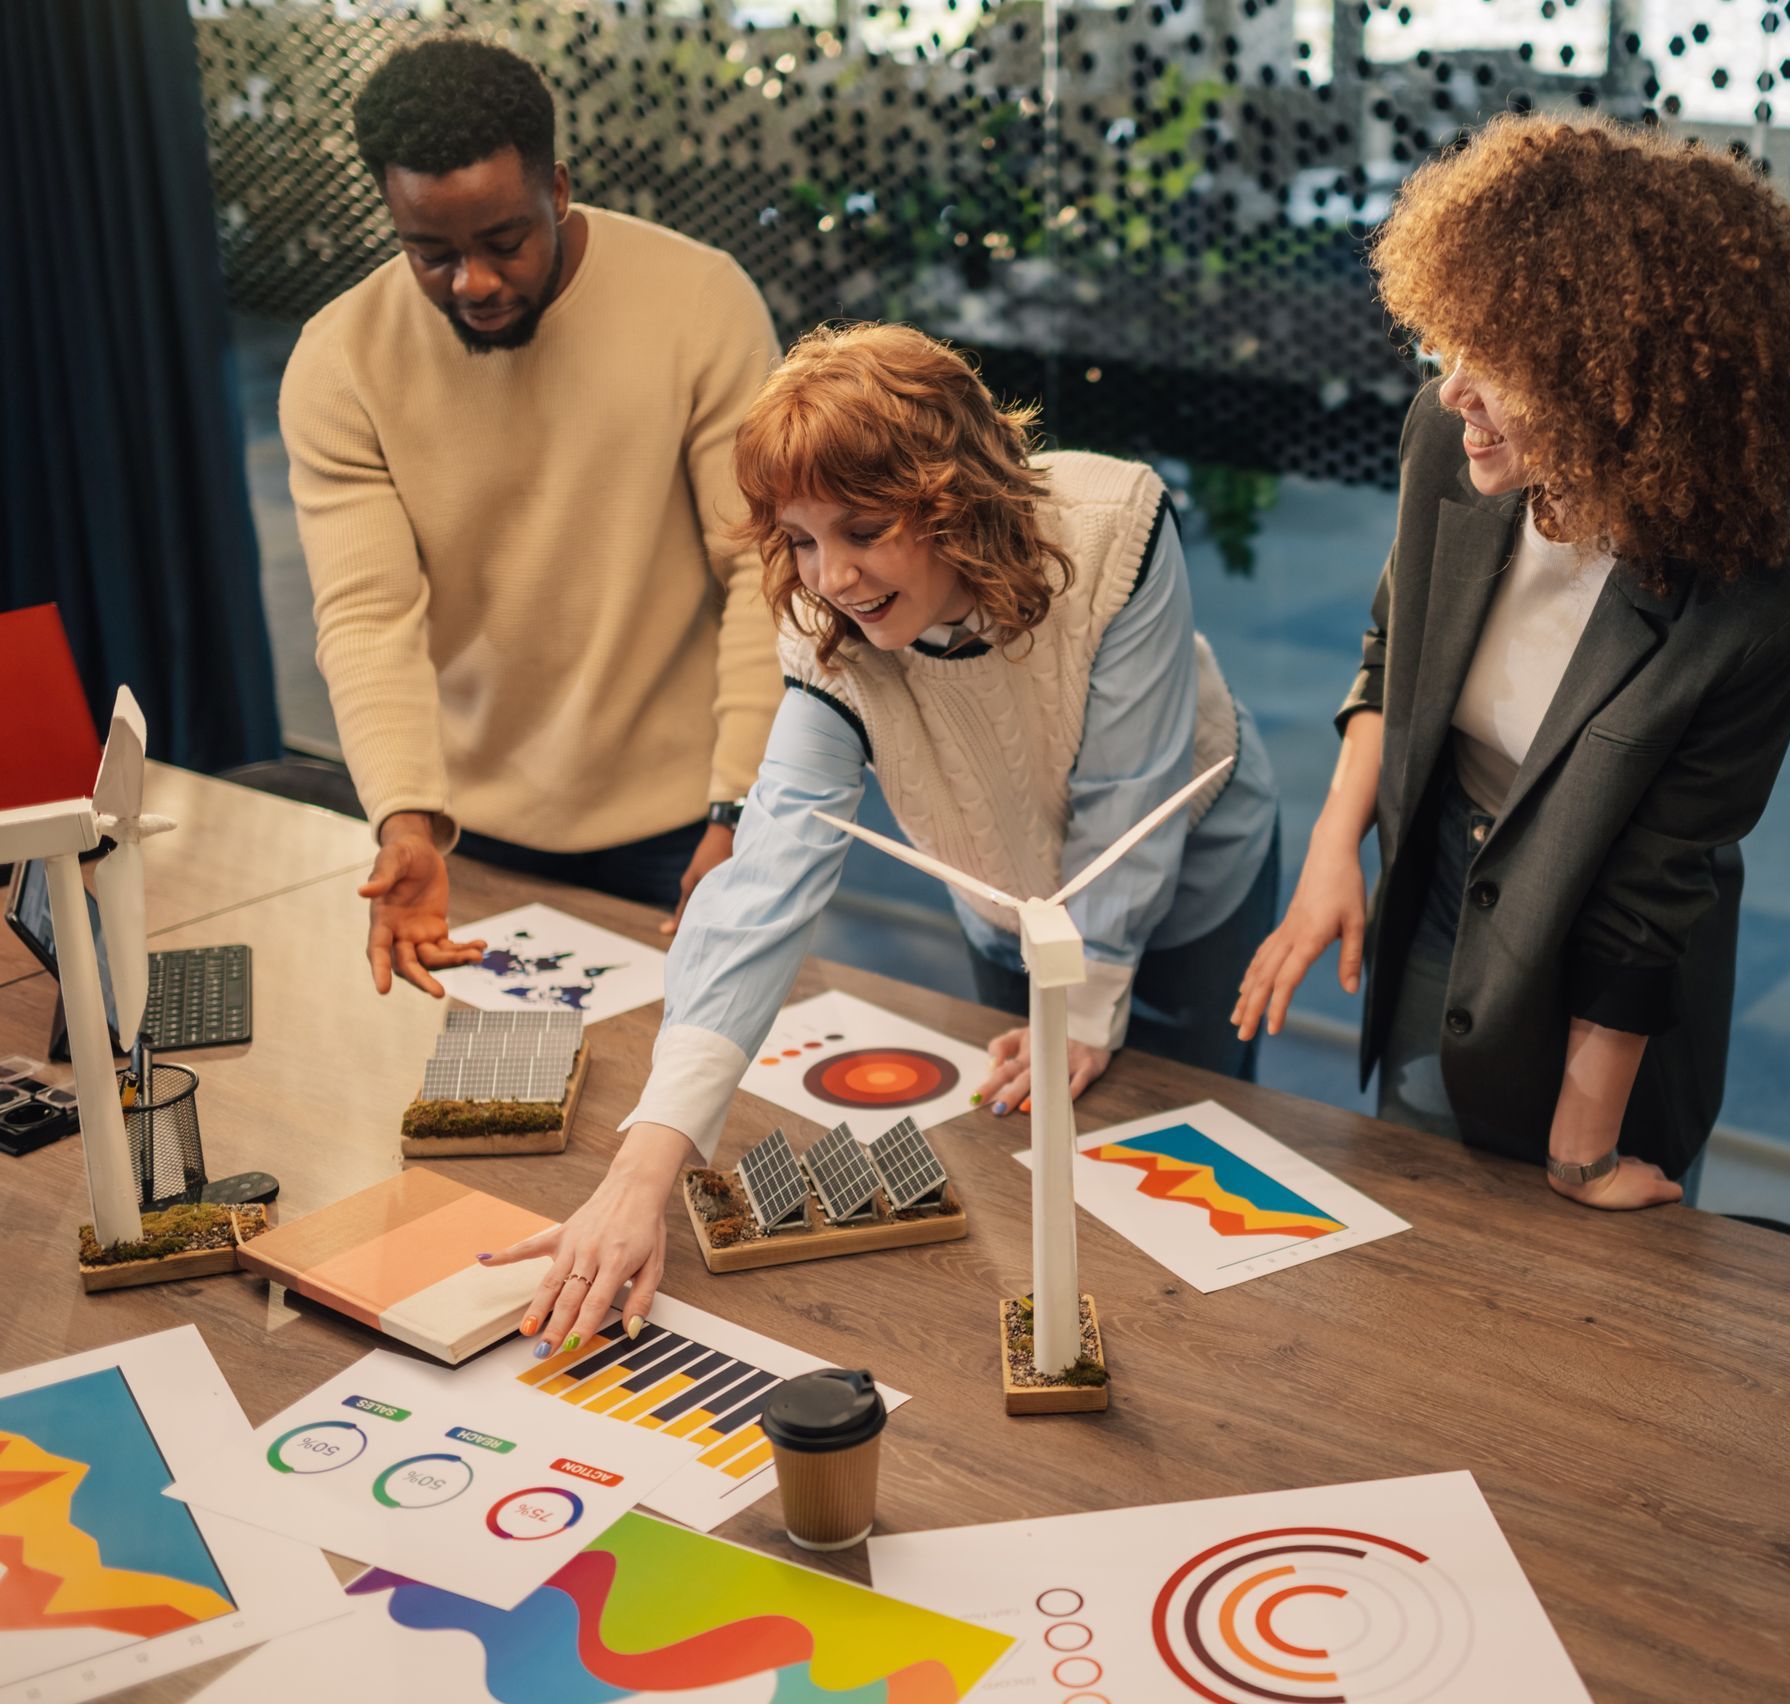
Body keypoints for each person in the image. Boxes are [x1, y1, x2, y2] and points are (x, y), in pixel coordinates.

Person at [483, 323, 1279, 1348]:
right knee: (1039, 1160)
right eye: (802, 541)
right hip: (1007, 889)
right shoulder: (825, 637)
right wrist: (642, 1171)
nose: (833, 577)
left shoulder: (1112, 524)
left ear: (953, 497)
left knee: (1188, 1153)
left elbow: (1132, 787)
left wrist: (1083, 1003)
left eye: (863, 530)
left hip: (1191, 867)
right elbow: (766, 879)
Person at [1234, 113, 1790, 1210]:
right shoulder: (1446, 436)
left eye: (1502, 362)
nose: (1454, 386)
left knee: (1591, 1303)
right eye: (1452, 338)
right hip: (1442, 890)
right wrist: (1337, 849)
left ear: (1623, 389)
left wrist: (1585, 1146)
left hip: (1609, 956)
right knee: (1415, 1217)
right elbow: (1397, 652)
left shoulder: (1759, 613)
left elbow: (1649, 896)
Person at [281, 39, 783, 996]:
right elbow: (366, 619)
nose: (471, 281)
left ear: (556, 189)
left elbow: (761, 572)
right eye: (431, 252)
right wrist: (405, 819)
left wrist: (742, 808)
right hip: (469, 830)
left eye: (502, 242)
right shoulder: (339, 361)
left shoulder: (698, 302)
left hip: (691, 819)